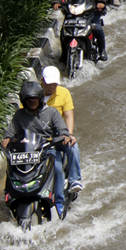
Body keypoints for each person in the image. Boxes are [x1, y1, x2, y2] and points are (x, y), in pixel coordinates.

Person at [2, 80, 76, 219]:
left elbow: (62, 129)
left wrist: (64, 136)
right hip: (26, 152)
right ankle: (9, 196)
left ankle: (59, 201)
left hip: (47, 149)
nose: (32, 103)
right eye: (29, 100)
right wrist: (6, 140)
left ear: (40, 99)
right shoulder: (19, 115)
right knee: (11, 168)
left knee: (58, 168)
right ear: (24, 100)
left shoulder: (52, 112)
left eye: (34, 100)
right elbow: (10, 132)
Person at [41, 66, 84, 199]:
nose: (51, 88)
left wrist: (69, 135)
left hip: (58, 135)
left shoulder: (63, 93)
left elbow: (68, 115)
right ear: (42, 81)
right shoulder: (33, 95)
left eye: (54, 85)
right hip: (39, 137)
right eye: (49, 84)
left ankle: (74, 180)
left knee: (73, 147)